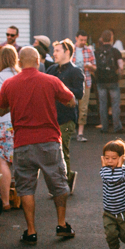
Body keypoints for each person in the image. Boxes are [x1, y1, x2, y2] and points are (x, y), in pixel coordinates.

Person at [0, 47, 76, 243]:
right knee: (58, 184)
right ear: (38, 61)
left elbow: (0, 110)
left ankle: (31, 231)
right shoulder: (51, 81)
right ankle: (62, 224)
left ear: (19, 62)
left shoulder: (9, 83)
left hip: (22, 142)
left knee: (26, 188)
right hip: (49, 140)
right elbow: (71, 101)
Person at [48, 39, 85, 190]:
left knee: (62, 150)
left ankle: (63, 184)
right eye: (54, 50)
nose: (54, 53)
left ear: (67, 52)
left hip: (66, 118)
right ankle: (65, 178)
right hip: (50, 118)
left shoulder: (75, 71)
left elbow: (79, 94)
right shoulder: (51, 70)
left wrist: (60, 88)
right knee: (51, 152)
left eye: (57, 50)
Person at [0, 45, 20, 209]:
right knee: (20, 162)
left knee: (3, 162)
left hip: (3, 121)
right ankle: (21, 198)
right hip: (20, 122)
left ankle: (5, 201)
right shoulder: (20, 76)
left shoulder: (0, 77)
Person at [94, 29, 125, 133]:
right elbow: (121, 66)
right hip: (113, 81)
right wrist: (119, 75)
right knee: (115, 105)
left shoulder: (97, 52)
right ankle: (117, 127)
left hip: (101, 81)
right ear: (111, 38)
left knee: (103, 105)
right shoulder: (115, 51)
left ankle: (104, 127)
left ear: (102, 39)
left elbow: (94, 66)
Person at [72, 31, 96, 141]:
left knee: (83, 107)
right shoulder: (70, 49)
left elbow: (95, 67)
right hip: (72, 81)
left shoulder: (89, 50)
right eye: (81, 39)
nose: (83, 42)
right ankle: (71, 130)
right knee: (71, 105)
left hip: (86, 81)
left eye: (85, 40)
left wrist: (90, 66)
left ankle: (80, 133)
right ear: (76, 38)